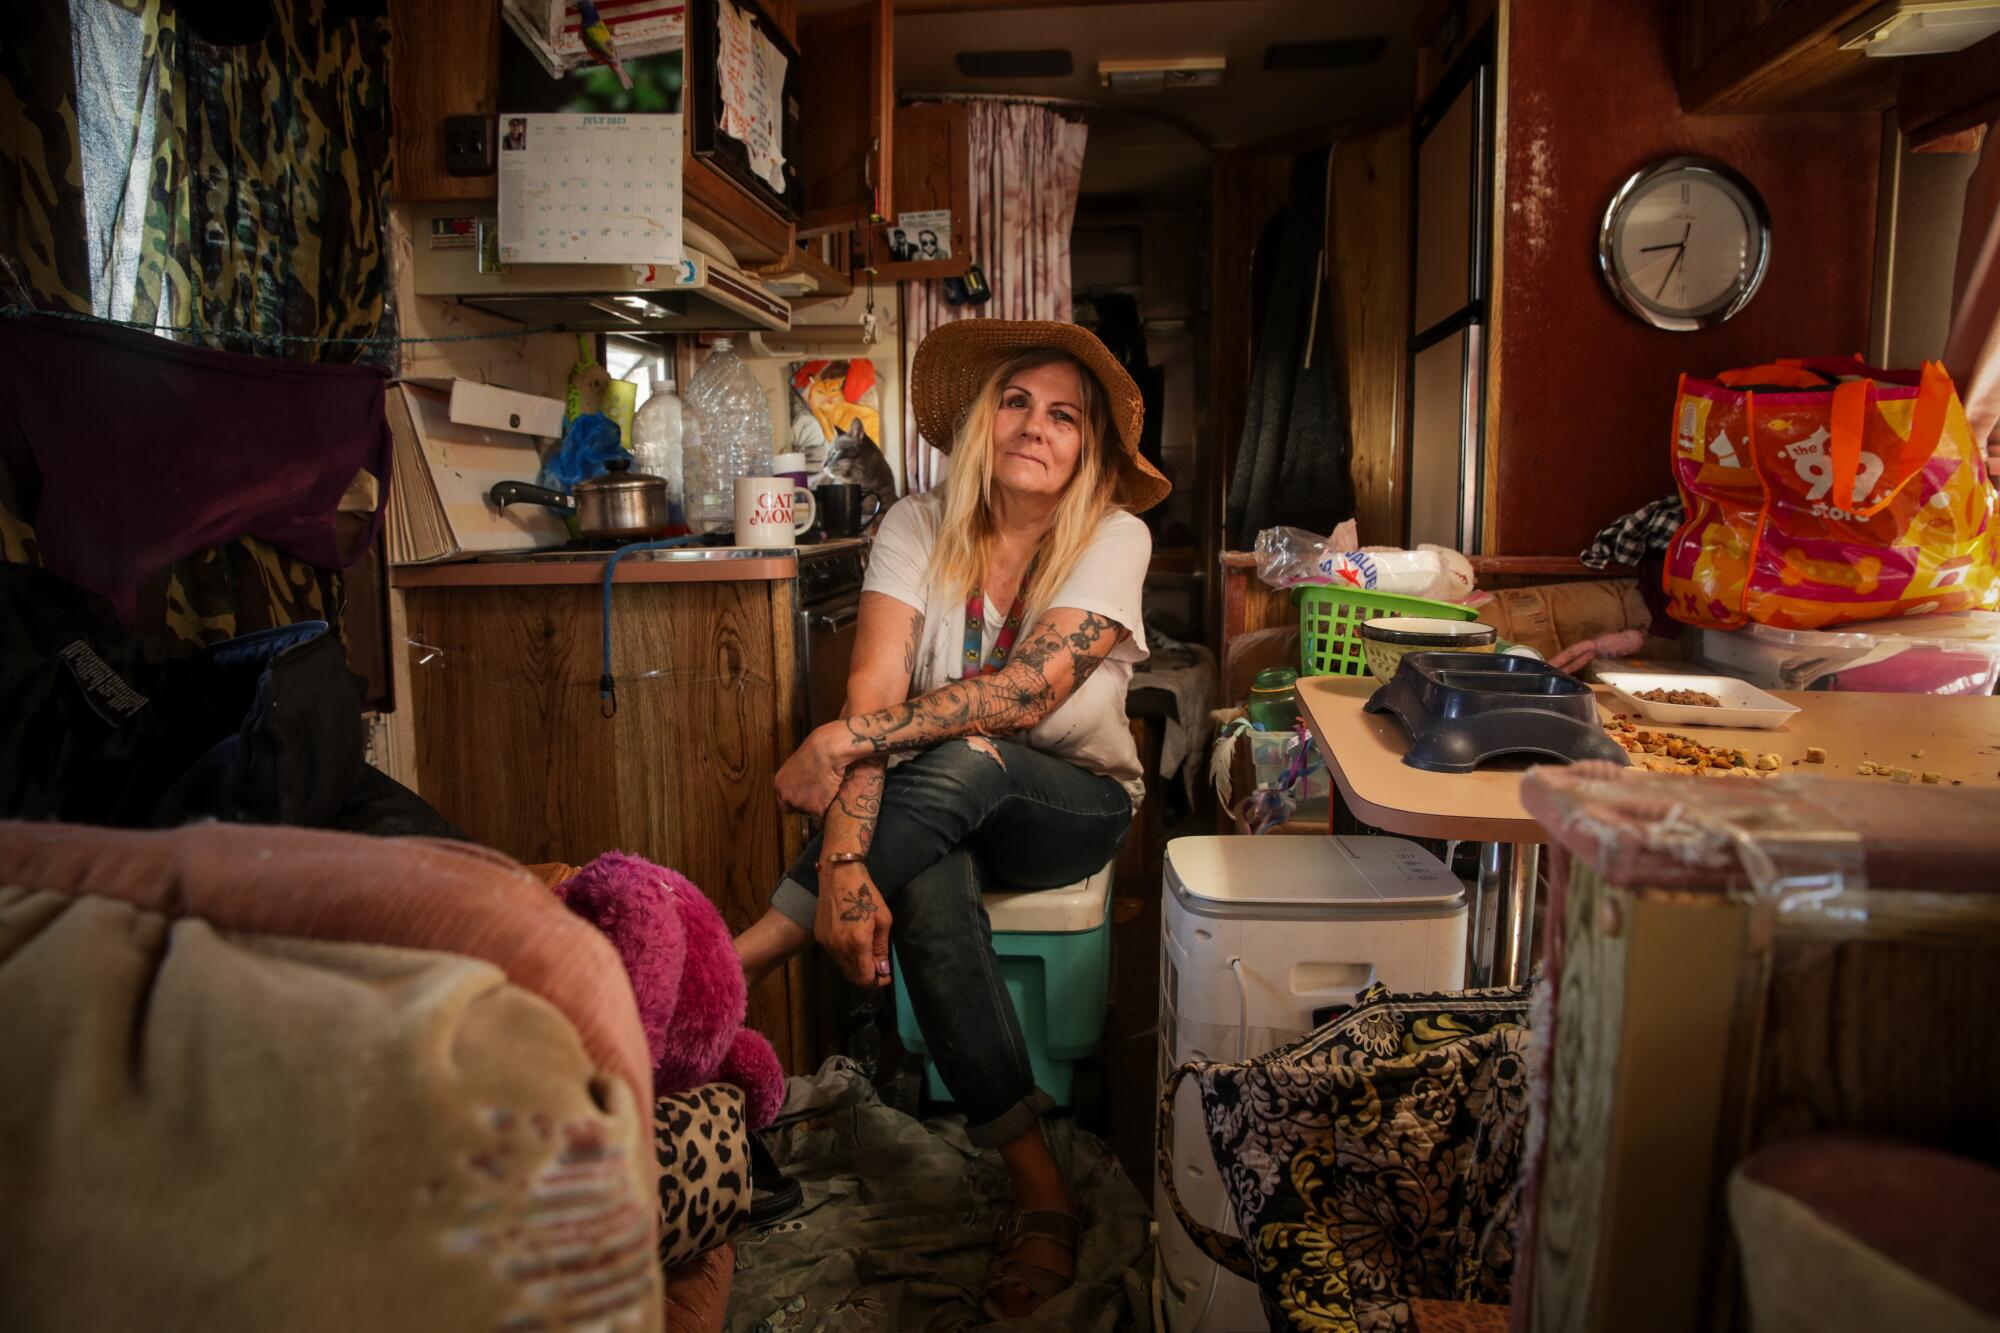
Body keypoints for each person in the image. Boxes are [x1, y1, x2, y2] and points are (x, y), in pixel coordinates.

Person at [733, 319, 1169, 1319]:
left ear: (1089, 448)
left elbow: (1023, 696)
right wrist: (845, 863)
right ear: (982, 419)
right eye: (1017, 402)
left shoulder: (1114, 533)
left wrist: (845, 744)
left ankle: (744, 956)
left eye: (1064, 416)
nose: (1035, 427)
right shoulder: (915, 525)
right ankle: (1038, 1190)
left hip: (1073, 801)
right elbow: (874, 689)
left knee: (967, 753)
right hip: (936, 795)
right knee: (928, 874)